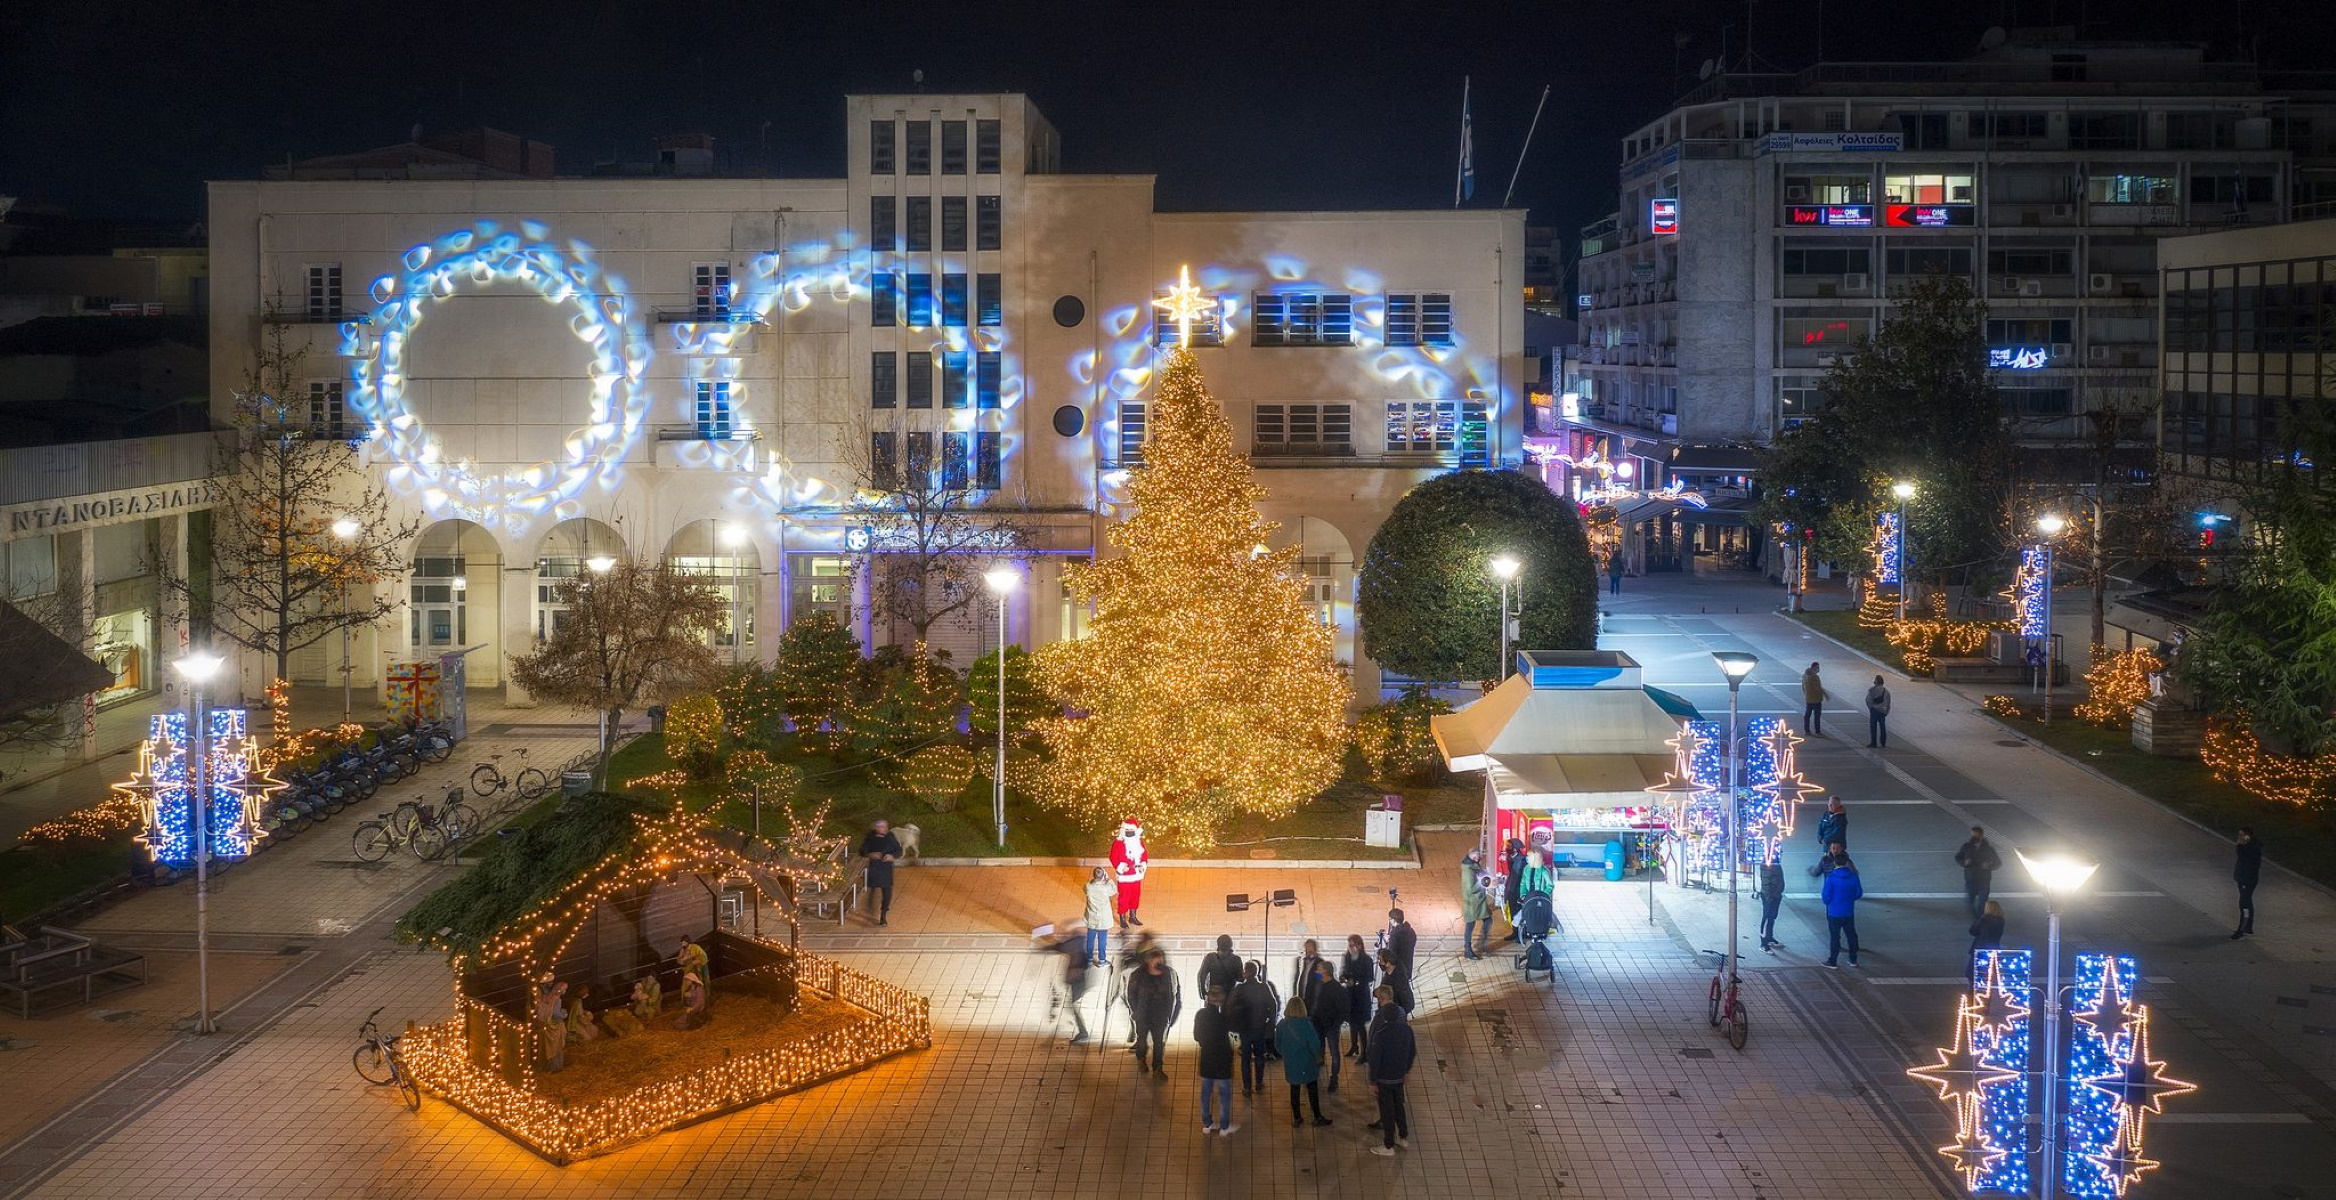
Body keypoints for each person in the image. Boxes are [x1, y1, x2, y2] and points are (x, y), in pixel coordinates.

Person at [1365, 985, 1416, 1156]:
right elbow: (1412, 1051)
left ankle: (1388, 1145)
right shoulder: (1407, 1030)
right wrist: (1407, 1070)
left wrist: (1372, 1080)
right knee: (1399, 1105)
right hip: (1399, 1077)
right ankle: (1403, 1136)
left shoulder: (1382, 1034)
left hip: (1385, 1078)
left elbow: (1375, 1058)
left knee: (1387, 1111)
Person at [1276, 996, 1332, 1128]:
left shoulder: (1281, 1025)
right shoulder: (1306, 1024)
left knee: (1294, 1090)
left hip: (1291, 1063)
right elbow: (1314, 1045)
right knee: (1312, 1089)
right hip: (1307, 1062)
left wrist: (1286, 1054)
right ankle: (1317, 1117)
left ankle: (1297, 1118)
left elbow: (1277, 1045)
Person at [1230, 962, 1280, 1096]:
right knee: (1259, 1056)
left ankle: (1247, 1087)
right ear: (1256, 972)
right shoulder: (1263, 987)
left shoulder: (1240, 989)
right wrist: (1271, 1022)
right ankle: (1259, 1082)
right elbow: (1273, 1004)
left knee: (1245, 1058)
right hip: (1259, 1027)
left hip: (1245, 1028)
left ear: (1246, 973)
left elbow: (1232, 1007)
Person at [1194, 985, 1238, 1135]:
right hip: (1223, 1060)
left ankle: (1207, 1124)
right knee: (1224, 1094)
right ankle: (1224, 1127)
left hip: (1207, 1058)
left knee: (1206, 1093)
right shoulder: (1224, 1018)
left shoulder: (1200, 1015)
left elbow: (1197, 1036)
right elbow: (1233, 1038)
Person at [1127, 949, 1177, 1075]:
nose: (1159, 963)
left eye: (1160, 960)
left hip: (1159, 1015)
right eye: (1156, 961)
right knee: (1142, 1040)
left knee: (1159, 1042)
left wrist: (1169, 1013)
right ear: (1148, 961)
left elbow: (1171, 994)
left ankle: (1158, 1068)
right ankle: (1141, 1060)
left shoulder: (1166, 973)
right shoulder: (1138, 974)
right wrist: (1136, 1010)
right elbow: (1131, 994)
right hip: (1143, 1014)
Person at [1305, 960, 1349, 1093]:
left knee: (1334, 1053)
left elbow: (1342, 1010)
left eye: (1318, 968)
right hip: (1317, 1023)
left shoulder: (1336, 988)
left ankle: (1334, 1079)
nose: (1316, 970)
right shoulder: (1319, 983)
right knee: (1318, 1048)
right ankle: (1318, 1067)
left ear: (1325, 971)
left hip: (1330, 1026)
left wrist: (1335, 1025)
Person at [1046, 928, 1094, 1043]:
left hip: (1078, 983)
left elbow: (1060, 947)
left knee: (1073, 1005)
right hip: (1076, 982)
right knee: (1071, 1005)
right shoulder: (1080, 950)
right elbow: (1060, 947)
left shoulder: (1076, 949)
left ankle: (1083, 1033)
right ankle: (1081, 1031)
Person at [1821, 854, 1863, 969]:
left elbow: (1826, 896)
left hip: (1834, 912)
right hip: (1848, 911)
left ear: (1835, 863)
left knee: (1835, 936)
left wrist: (1830, 903)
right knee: (1851, 935)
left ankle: (1833, 960)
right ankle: (1853, 959)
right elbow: (1859, 893)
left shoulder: (1831, 878)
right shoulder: (1854, 876)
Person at [859, 819, 903, 926]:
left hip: (886, 868)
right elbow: (862, 850)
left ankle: (883, 916)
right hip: (874, 868)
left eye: (883, 827)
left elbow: (898, 850)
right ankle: (869, 909)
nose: (881, 829)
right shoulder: (871, 837)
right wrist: (870, 854)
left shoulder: (890, 837)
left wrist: (891, 856)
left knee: (887, 892)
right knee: (872, 890)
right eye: (879, 826)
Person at [1339, 935, 1376, 1059]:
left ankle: (1364, 1051)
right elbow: (1342, 973)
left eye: (1353, 946)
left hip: (1361, 996)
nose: (1351, 949)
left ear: (1359, 946)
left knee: (1360, 1024)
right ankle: (1354, 1045)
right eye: (1349, 946)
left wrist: (1355, 982)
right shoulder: (1346, 958)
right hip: (1349, 996)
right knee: (1352, 1022)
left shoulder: (1366, 960)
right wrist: (1344, 979)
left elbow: (1370, 977)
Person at [1955, 826, 2002, 921]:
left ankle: (1980, 920)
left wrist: (1988, 866)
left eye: (1975, 835)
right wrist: (1964, 863)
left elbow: (1998, 862)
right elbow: (1958, 857)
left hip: (1984, 881)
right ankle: (1975, 918)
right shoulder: (1966, 846)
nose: (1972, 837)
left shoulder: (1988, 849)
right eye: (1971, 835)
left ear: (1981, 836)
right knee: (1969, 903)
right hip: (1970, 880)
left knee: (1983, 903)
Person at [1109, 820, 1149, 927]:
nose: (1130, 832)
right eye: (1128, 830)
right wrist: (1121, 867)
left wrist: (1143, 865)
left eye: (1132, 830)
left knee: (1135, 896)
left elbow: (1144, 855)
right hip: (1125, 876)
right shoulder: (1118, 843)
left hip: (1136, 874)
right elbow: (1113, 857)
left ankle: (1133, 916)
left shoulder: (1139, 842)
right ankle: (1122, 917)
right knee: (1124, 897)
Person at [2232, 826, 2263, 939]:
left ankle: (2242, 930)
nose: (2239, 837)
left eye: (2241, 835)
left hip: (2247, 880)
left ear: (2248, 836)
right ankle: (2248, 928)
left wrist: (2239, 846)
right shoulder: (2249, 847)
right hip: (2243, 879)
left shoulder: (2252, 848)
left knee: (2244, 905)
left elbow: (2244, 860)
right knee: (2246, 903)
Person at [1460, 849, 1491, 959]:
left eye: (1479, 856)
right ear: (1471, 856)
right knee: (1470, 925)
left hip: (1477, 901)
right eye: (1476, 857)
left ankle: (1479, 944)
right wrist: (1485, 883)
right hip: (1472, 902)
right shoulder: (1468, 871)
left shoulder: (1472, 865)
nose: (1478, 859)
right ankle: (1468, 949)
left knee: (1487, 919)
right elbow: (1471, 888)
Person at [1082, 867, 1116, 966]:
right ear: (1103, 876)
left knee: (1090, 939)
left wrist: (1096, 880)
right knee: (1102, 940)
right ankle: (1102, 960)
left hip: (1092, 918)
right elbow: (1114, 890)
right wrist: (1108, 879)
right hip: (1103, 919)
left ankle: (1089, 959)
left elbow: (1086, 888)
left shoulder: (1088, 886)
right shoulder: (1106, 888)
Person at [1199, 934, 1243, 1002]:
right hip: (1229, 995)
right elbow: (1240, 978)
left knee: (1211, 1012)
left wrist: (1203, 992)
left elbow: (1202, 975)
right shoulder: (1236, 960)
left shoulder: (1210, 958)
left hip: (1214, 994)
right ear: (1230, 945)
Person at [536, 981, 569, 1072]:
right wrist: (564, 1014)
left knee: (547, 1047)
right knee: (555, 1047)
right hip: (554, 1026)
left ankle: (546, 1066)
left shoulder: (546, 996)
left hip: (545, 1025)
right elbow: (555, 1014)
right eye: (564, 990)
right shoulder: (557, 999)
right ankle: (555, 1067)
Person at [1500, 837, 1527, 941]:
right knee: (1512, 911)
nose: (1507, 848)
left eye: (1509, 846)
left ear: (1515, 848)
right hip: (1511, 889)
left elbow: (1517, 878)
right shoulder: (1510, 858)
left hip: (1517, 891)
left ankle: (1521, 934)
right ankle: (1515, 932)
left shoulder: (1521, 860)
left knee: (1518, 913)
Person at [1757, 856, 1787, 951]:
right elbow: (1766, 883)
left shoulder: (1776, 864)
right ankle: (1763, 943)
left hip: (1775, 895)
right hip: (1769, 896)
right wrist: (1770, 897)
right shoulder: (1768, 865)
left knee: (1772, 917)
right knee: (1767, 918)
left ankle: (1769, 937)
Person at [1384, 909, 1417, 984]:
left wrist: (1388, 941)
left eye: (1390, 919)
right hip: (1407, 966)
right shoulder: (1411, 931)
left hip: (1398, 971)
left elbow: (1392, 954)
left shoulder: (1395, 934)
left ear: (1393, 920)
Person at [1377, 948, 1414, 1014]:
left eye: (1380, 960)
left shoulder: (1398, 980)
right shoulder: (1394, 968)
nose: (1379, 963)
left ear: (1388, 963)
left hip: (1398, 1009)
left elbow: (1402, 1000)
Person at [1865, 675, 1892, 748]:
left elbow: (1867, 700)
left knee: (1873, 727)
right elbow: (1888, 704)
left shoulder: (1872, 690)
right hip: (1882, 711)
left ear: (1875, 682)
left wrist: (1871, 707)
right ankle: (1883, 742)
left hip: (1874, 711)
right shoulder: (1886, 692)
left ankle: (1873, 743)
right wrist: (1886, 712)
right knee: (1882, 727)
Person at [1801, 661, 1826, 737]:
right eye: (1817, 667)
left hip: (1808, 698)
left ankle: (1807, 730)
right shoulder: (1814, 677)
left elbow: (1802, 687)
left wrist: (1806, 694)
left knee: (1807, 715)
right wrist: (1822, 695)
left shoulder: (1804, 675)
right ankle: (1817, 731)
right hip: (1816, 699)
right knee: (1817, 716)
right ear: (1814, 667)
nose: (1818, 669)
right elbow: (1817, 688)